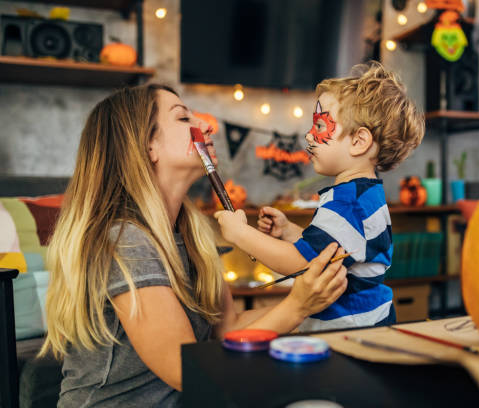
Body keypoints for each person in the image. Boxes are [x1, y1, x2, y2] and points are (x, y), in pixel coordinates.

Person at [40, 84, 348, 407]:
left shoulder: (193, 236)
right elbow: (186, 369)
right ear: (148, 146)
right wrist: (298, 305)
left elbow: (229, 329)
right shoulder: (123, 241)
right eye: (184, 118)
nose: (207, 125)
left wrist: (315, 305)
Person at [215, 62, 425, 331]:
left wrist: (239, 233)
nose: (309, 135)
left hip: (350, 334)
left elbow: (297, 261)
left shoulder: (349, 202)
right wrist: (290, 231)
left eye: (321, 126)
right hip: (366, 324)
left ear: (359, 141)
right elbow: (333, 250)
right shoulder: (364, 193)